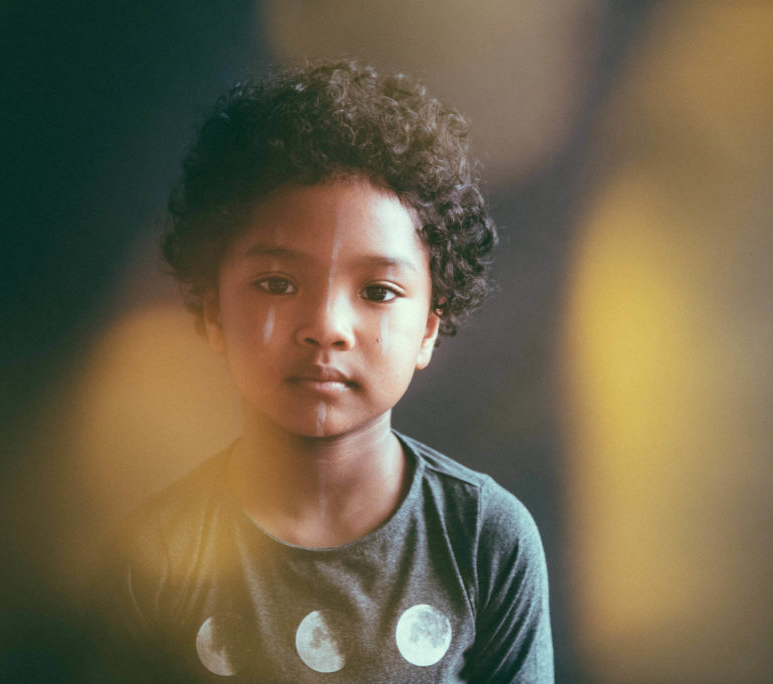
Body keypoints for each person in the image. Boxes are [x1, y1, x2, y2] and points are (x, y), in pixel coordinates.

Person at [99, 59, 553, 682]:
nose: (325, 326)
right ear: (213, 313)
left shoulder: (485, 541)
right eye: (277, 283)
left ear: (429, 326)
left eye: (378, 291)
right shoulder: (154, 555)